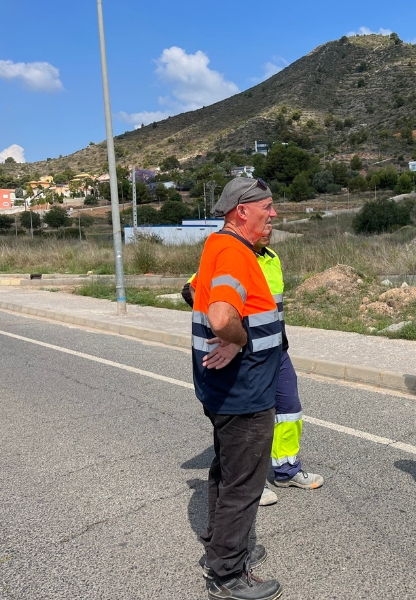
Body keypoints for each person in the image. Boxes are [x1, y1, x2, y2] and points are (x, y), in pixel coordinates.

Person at [185, 226, 325, 507]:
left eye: (271, 225)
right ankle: (252, 484)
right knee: (250, 422)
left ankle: (287, 470)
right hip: (246, 354)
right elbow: (192, 290)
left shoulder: (272, 258)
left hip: (277, 351)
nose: (268, 229)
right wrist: (228, 333)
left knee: (290, 409)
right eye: (262, 225)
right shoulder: (235, 256)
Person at [192, 177, 283, 600]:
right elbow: (221, 317)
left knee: (227, 468)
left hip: (221, 386)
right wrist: (235, 338)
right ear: (241, 211)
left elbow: (196, 292)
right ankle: (227, 574)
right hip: (243, 389)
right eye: (267, 207)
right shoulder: (233, 252)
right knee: (244, 481)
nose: (274, 214)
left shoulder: (217, 245)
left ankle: (222, 545)